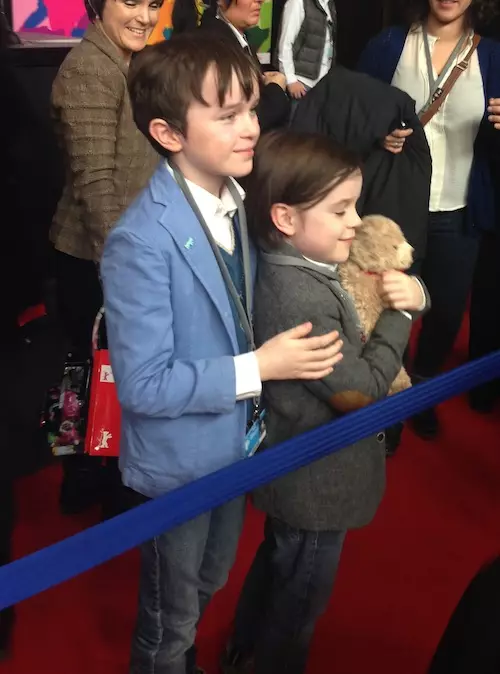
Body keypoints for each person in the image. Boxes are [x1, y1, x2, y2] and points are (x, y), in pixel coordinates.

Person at [100, 34, 343, 674]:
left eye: (251, 109)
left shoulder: (239, 199)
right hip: (180, 464)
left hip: (237, 446)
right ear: (168, 132)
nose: (250, 129)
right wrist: (259, 367)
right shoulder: (139, 242)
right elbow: (146, 386)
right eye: (226, 115)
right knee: (170, 620)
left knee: (209, 583)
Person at [220, 130, 429, 674]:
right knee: (300, 599)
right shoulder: (301, 293)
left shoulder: (299, 262)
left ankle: (243, 646)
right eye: (340, 210)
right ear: (286, 219)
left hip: (297, 476)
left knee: (279, 561)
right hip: (315, 482)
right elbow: (357, 392)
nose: (356, 221)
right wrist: (398, 317)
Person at [358, 0, 500, 440]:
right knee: (389, 310)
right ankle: (387, 400)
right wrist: (377, 134)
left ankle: (420, 389)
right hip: (395, 213)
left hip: (459, 211)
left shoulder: (492, 55)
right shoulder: (389, 45)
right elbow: (353, 112)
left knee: (446, 313)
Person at [50, 0, 162, 517]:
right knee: (102, 379)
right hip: (95, 258)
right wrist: (124, 275)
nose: (144, 15)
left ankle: (99, 485)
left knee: (110, 379)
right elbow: (97, 189)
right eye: (131, 2)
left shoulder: (129, 61)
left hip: (118, 255)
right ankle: (101, 497)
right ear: (98, 4)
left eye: (155, 4)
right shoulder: (90, 68)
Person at [195, 0, 291, 131]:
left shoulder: (237, 36)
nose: (260, 1)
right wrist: (276, 89)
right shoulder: (213, 45)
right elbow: (235, 119)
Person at [276, 0, 337, 101]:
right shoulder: (298, 2)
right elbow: (285, 44)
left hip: (321, 84)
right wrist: (290, 80)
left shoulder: (329, 4)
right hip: (301, 83)